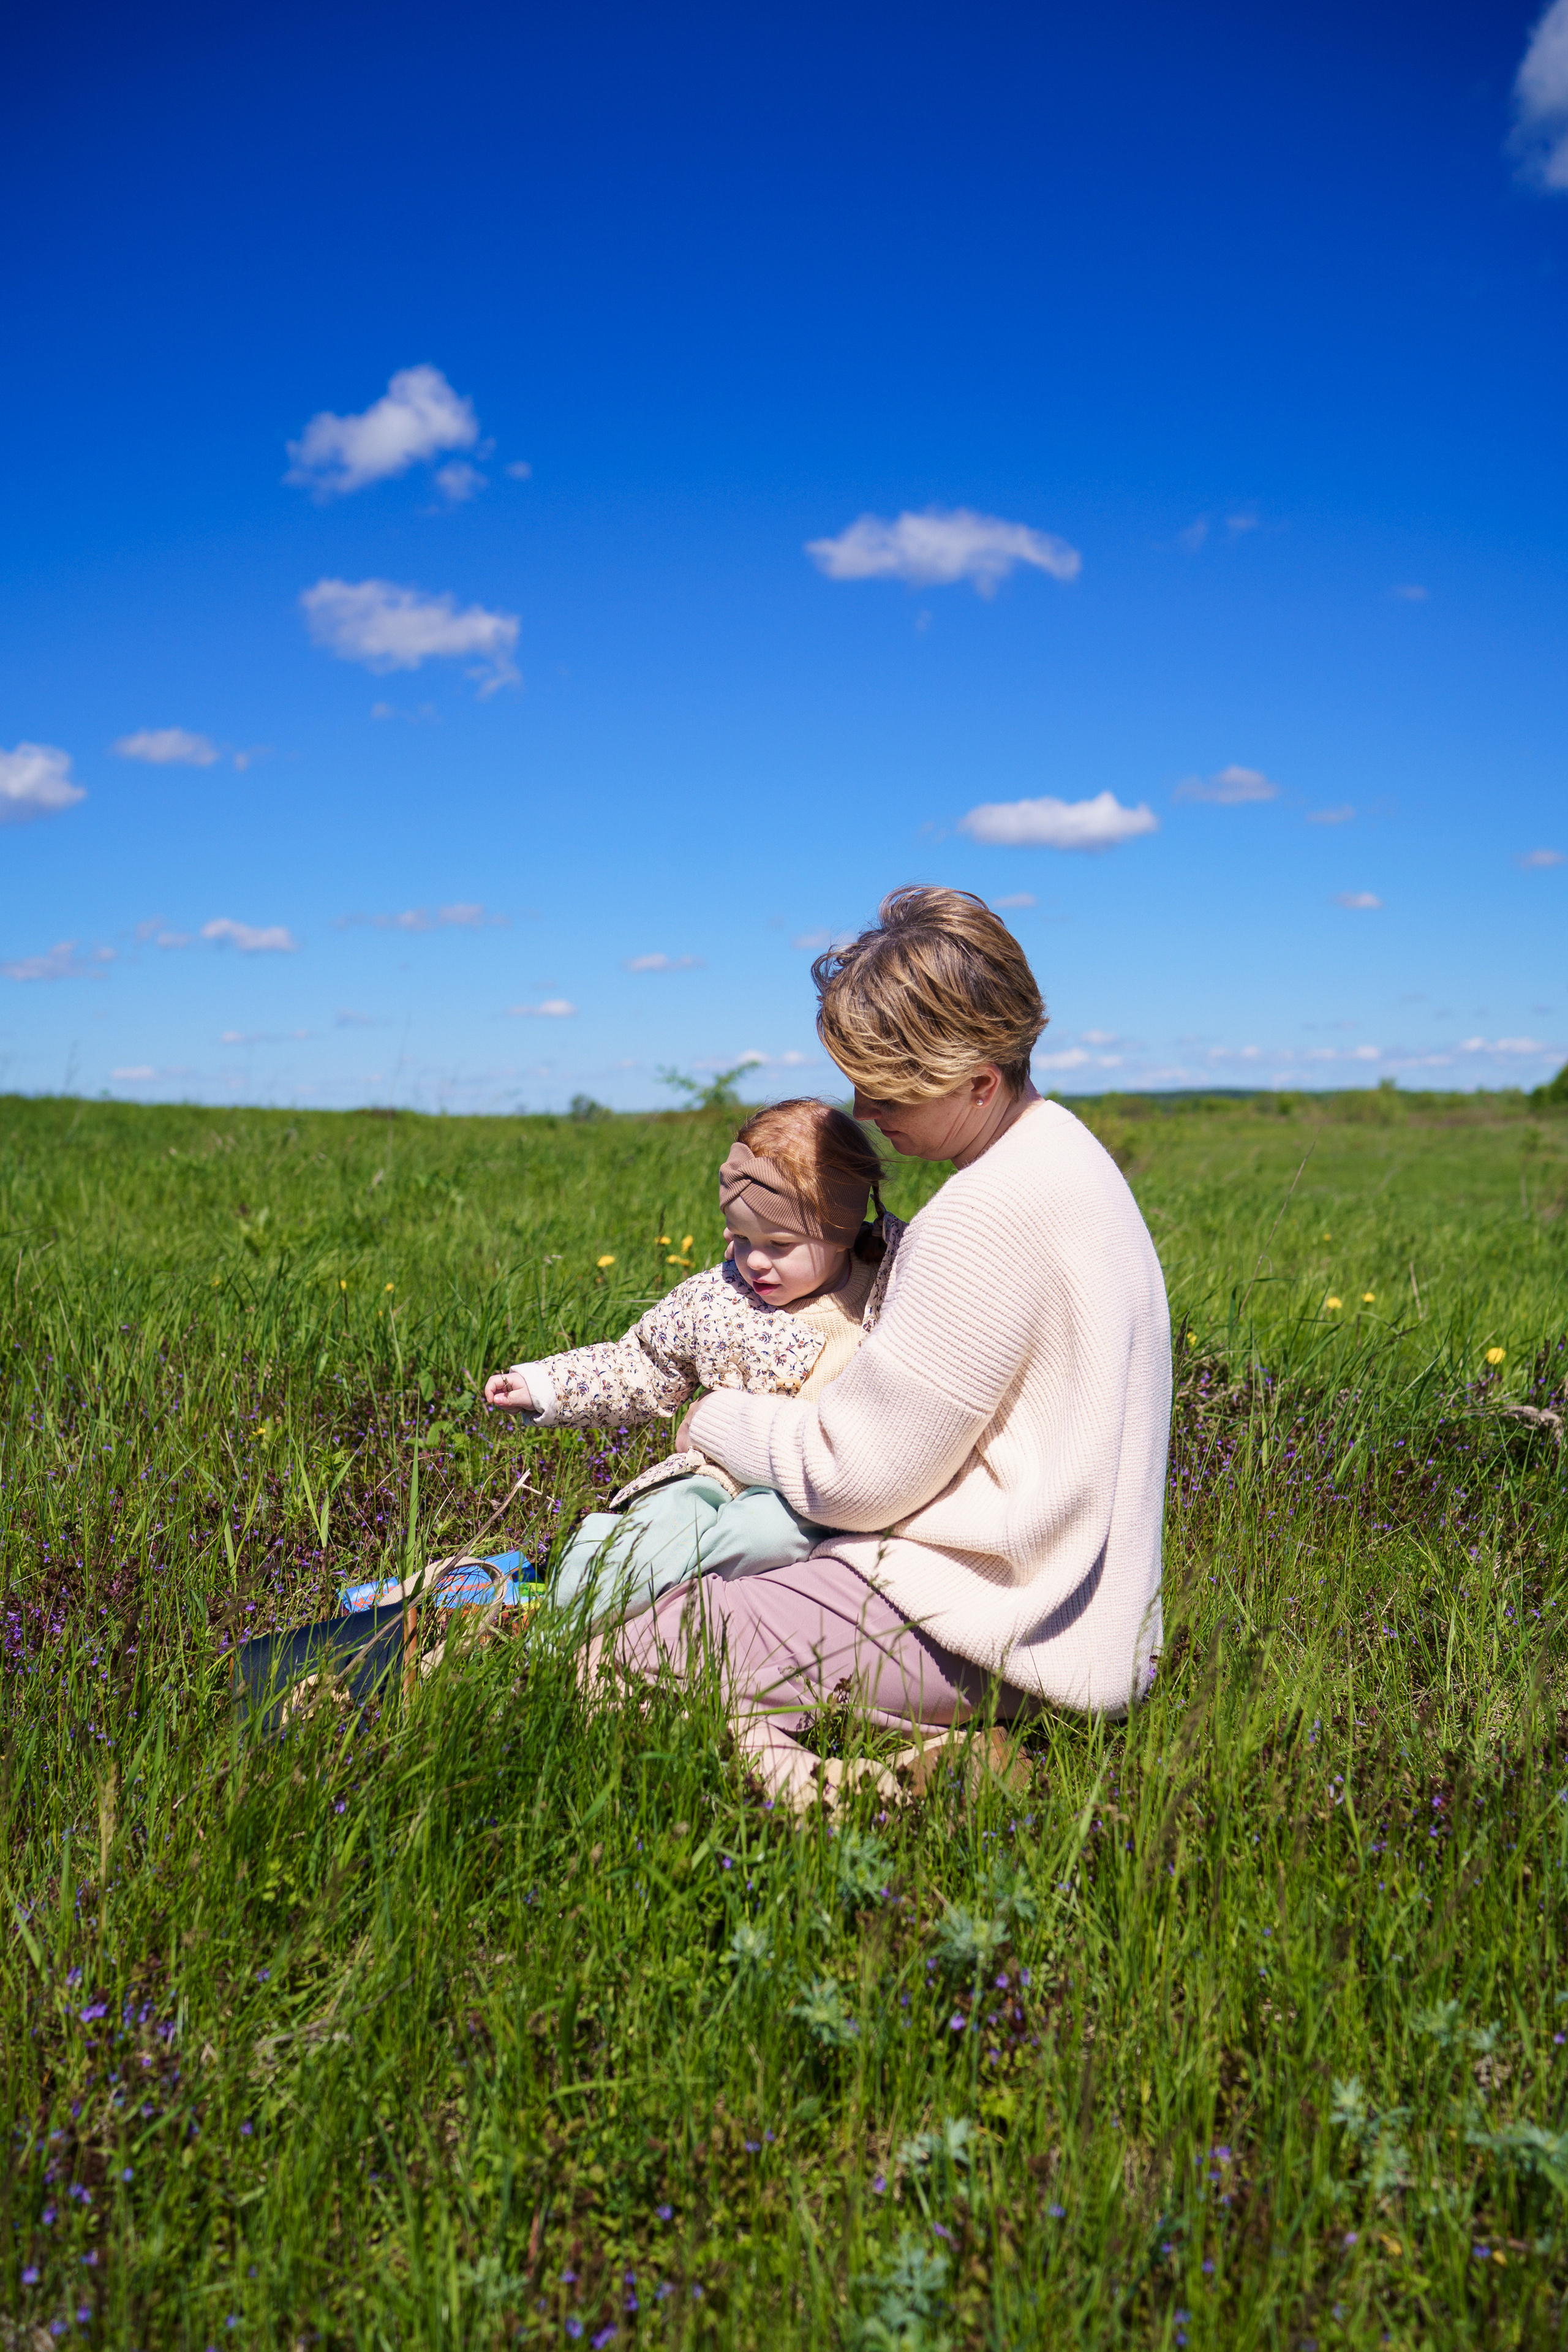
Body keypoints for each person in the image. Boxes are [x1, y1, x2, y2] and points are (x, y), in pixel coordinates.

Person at [595, 884, 1173, 1809]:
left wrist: (716, 1418)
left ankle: (862, 1794)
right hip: (1077, 1626)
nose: (864, 1110)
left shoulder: (982, 1215)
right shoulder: (1074, 1161)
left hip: (977, 1621)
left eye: (892, 1088)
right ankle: (912, 1765)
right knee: (703, 1653)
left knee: (609, 1655)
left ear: (979, 1080)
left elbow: (857, 1479)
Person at [482, 1099, 905, 1621]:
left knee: (766, 1535)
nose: (754, 1260)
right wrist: (545, 1385)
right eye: (741, 1237)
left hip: (810, 1500)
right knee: (663, 1519)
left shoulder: (893, 1288)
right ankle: (555, 1610)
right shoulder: (718, 1298)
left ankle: (633, 1601)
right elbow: (641, 1366)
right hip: (711, 1477)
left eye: (779, 1243)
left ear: (839, 1231)